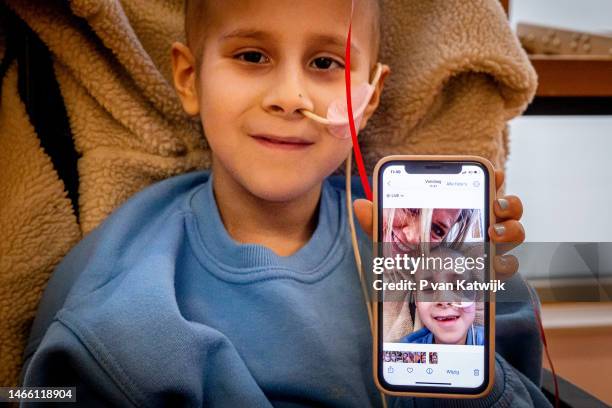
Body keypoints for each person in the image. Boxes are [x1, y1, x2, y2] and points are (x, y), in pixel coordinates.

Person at [21, 0, 549, 406]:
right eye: (252, 56)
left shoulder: (434, 249)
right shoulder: (116, 276)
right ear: (189, 79)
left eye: (325, 62)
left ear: (370, 95)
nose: (291, 96)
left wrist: (453, 346)